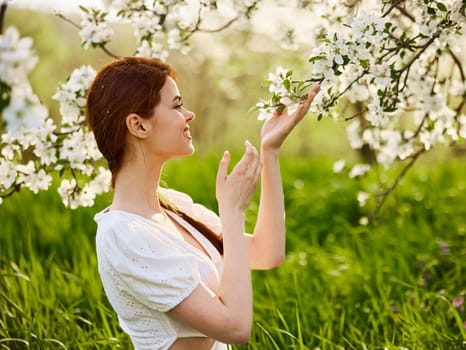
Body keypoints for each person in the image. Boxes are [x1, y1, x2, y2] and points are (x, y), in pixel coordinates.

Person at [86, 56, 320, 350]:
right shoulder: (124, 235)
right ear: (138, 126)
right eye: (176, 105)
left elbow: (267, 253)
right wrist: (232, 213)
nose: (190, 114)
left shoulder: (175, 209)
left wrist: (269, 150)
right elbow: (235, 328)